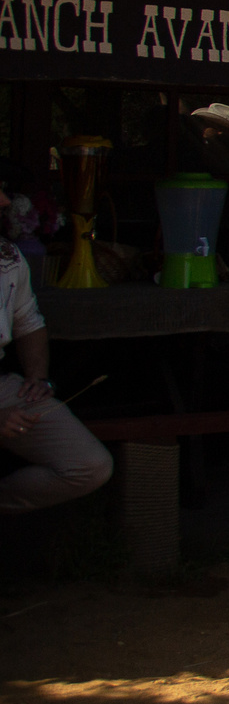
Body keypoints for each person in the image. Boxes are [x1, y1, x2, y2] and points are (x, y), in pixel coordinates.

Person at [0, 170, 112, 522]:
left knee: (89, 466)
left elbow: (29, 321)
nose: (4, 202)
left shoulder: (8, 257)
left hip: (3, 387)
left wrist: (37, 377)